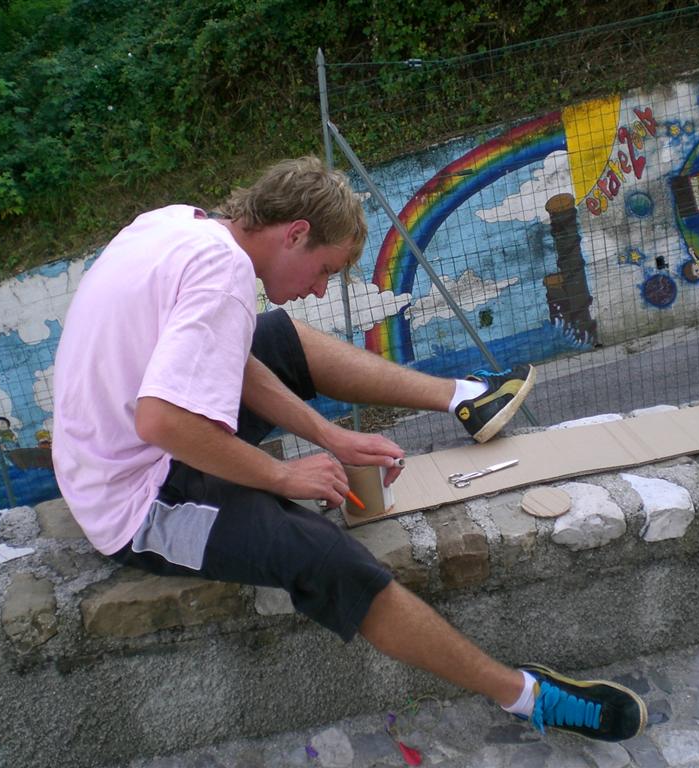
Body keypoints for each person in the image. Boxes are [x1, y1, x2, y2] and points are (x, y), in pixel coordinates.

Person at [52, 156, 646, 742]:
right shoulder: (224, 274)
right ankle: (525, 695)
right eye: (324, 270)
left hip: (111, 452)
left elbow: (228, 355)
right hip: (134, 503)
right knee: (324, 557)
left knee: (278, 338)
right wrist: (283, 478)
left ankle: (467, 397)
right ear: (295, 233)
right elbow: (163, 421)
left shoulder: (182, 223)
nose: (318, 289)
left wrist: (330, 436)